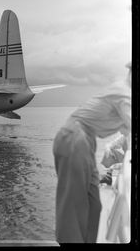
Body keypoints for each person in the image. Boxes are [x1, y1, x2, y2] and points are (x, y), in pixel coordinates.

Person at [53, 62, 131, 243]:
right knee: (73, 207)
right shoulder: (124, 94)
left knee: (93, 205)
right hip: (74, 136)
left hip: (86, 140)